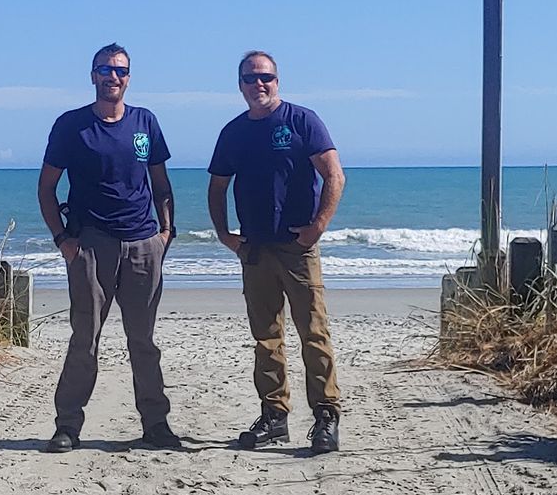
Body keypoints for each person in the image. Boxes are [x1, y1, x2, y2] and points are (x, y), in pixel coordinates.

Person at [38, 42, 180, 453]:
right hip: (91, 246)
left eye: (120, 70)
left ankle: (156, 424)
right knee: (85, 338)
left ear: (128, 78)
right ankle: (67, 426)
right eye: (105, 69)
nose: (112, 76)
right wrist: (63, 240)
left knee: (144, 342)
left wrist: (166, 233)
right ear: (93, 75)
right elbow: (47, 187)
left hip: (142, 243)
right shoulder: (71, 126)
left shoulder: (145, 122)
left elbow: (161, 183)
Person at [207, 50, 345, 454]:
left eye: (265, 77)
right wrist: (224, 235)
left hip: (297, 248)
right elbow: (217, 187)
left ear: (277, 81)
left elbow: (334, 174)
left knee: (313, 333)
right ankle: (274, 416)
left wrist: (318, 227)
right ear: (240, 86)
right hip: (254, 249)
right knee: (266, 338)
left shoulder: (302, 121)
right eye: (250, 79)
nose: (258, 85)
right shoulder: (233, 132)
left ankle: (325, 416)